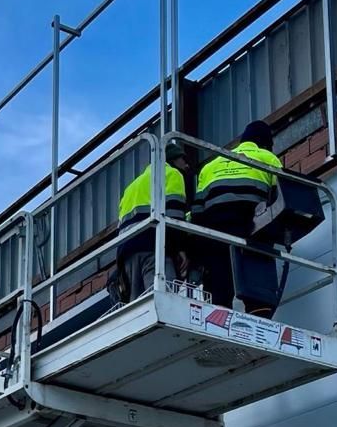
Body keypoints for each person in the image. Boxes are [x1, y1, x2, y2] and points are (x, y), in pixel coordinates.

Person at [192, 120, 284, 315]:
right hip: (248, 225)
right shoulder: (268, 157)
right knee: (259, 253)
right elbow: (279, 202)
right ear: (265, 143)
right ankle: (259, 309)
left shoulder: (211, 164)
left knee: (218, 281)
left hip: (214, 228)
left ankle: (218, 314)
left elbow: (197, 211)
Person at [113, 141, 191, 301]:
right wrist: (180, 249)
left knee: (138, 309)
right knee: (163, 301)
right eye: (183, 159)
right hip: (152, 246)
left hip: (127, 254)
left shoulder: (131, 187)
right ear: (172, 160)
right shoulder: (172, 174)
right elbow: (174, 215)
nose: (187, 165)